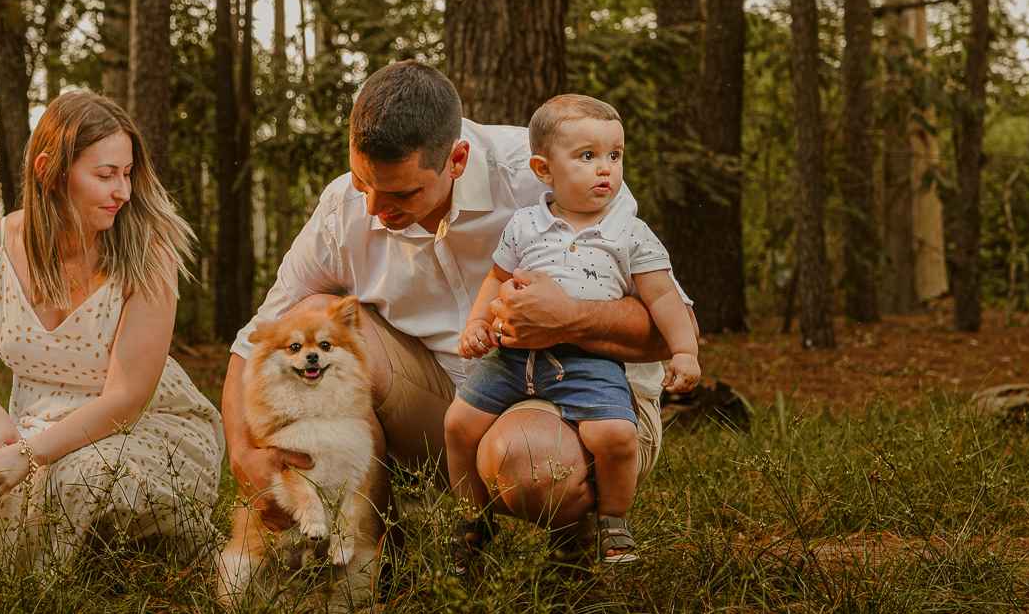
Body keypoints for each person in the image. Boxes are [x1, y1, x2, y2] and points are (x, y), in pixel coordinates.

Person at [221, 60, 693, 575]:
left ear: (458, 159)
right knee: (313, 320)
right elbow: (256, 343)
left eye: (403, 194)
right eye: (363, 182)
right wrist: (246, 456)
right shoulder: (345, 207)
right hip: (449, 407)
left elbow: (670, 331)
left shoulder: (558, 171)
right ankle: (369, 559)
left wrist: (574, 318)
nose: (376, 208)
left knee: (529, 463)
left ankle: (577, 556)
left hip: (580, 402)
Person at [0, 89, 222, 568]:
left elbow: (125, 399)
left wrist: (29, 453)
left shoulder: (149, 254)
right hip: (33, 424)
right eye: (105, 175)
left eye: (127, 174)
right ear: (49, 172)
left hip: (142, 425)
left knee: (79, 480)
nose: (122, 191)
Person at [445, 93, 699, 569]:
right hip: (512, 358)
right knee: (458, 424)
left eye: (614, 156)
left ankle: (613, 522)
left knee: (616, 436)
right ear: (544, 170)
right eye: (587, 156)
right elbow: (497, 279)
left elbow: (663, 297)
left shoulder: (630, 232)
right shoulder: (525, 225)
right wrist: (478, 323)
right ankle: (470, 520)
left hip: (588, 362)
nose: (606, 169)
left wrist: (683, 352)